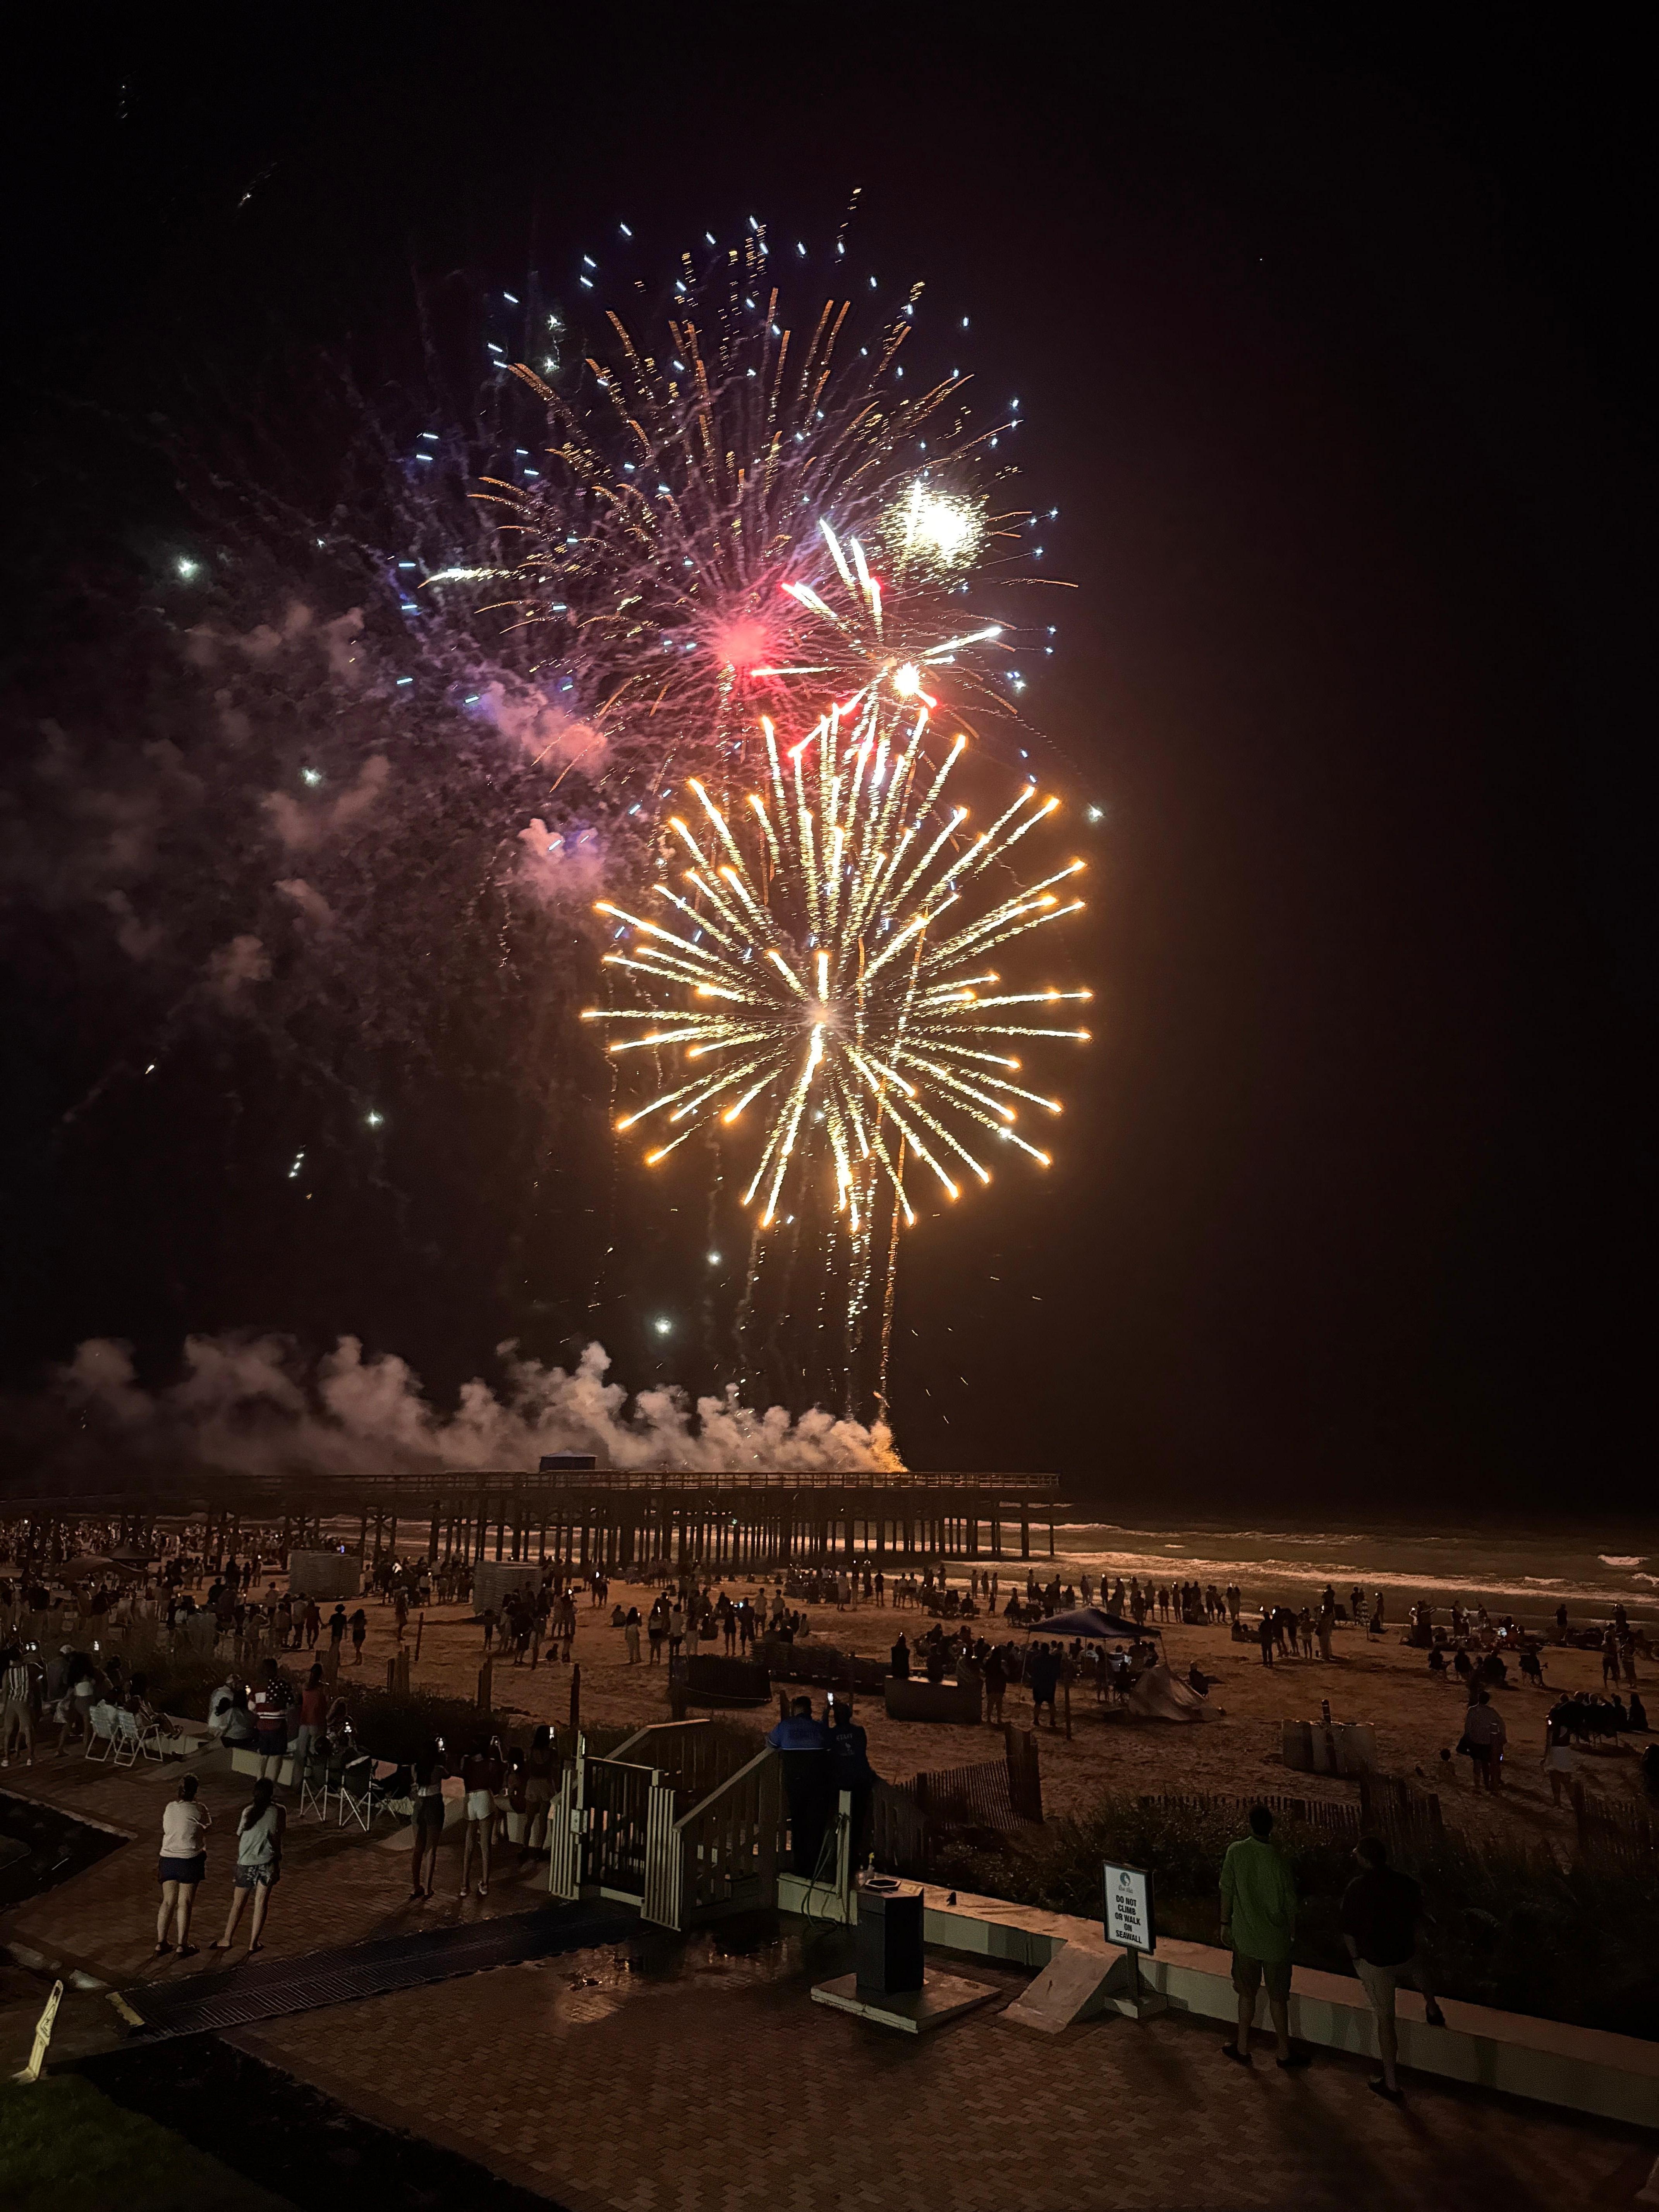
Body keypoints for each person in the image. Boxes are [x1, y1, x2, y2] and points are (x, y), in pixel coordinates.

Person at [1340, 1835, 1445, 2100]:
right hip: (1404, 1952)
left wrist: (1356, 1960)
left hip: (1377, 1962)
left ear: (1364, 1859)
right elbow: (1418, 1918)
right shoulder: (1406, 1884)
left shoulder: (1357, 1888)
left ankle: (1392, 2082)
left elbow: (1348, 1931)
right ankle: (1432, 2006)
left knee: (1386, 2020)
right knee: (1419, 1967)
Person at [1219, 1806, 1308, 2070]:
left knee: (1246, 1995)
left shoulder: (1236, 1852)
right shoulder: (1279, 1859)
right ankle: (1283, 2052)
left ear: (1250, 1825)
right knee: (1278, 1998)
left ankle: (1243, 2046)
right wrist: (1291, 1934)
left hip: (1246, 1938)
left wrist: (1225, 1923)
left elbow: (1226, 1889)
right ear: (1271, 1828)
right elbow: (1291, 1905)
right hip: (1275, 1941)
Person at [213, 1779, 285, 1954]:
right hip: (267, 1861)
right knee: (261, 1902)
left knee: (238, 1903)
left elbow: (241, 1835)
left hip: (246, 1862)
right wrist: (278, 1857)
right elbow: (277, 1837)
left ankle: (227, 1939)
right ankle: (253, 1942)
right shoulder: (278, 1812)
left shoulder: (248, 1812)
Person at [766, 1696, 831, 1875]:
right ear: (809, 1710)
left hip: (795, 1783)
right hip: (818, 1784)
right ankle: (815, 1866)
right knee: (815, 1825)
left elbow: (770, 1744)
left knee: (798, 1823)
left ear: (795, 1709)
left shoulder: (785, 1727)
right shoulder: (819, 1728)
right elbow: (829, 1745)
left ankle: (800, 1866)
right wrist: (826, 1718)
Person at [156, 1773, 210, 1956]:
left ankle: (161, 1943)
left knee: (168, 1901)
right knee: (185, 1903)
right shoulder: (200, 1808)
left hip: (168, 1858)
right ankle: (182, 1945)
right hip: (190, 1859)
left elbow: (167, 1828)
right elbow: (208, 1826)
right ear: (195, 1791)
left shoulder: (170, 1807)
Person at [459, 1738, 505, 1896]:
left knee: (469, 1845)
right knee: (485, 1846)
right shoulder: (489, 1764)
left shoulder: (467, 1764)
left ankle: (464, 1885)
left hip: (470, 1799)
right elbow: (500, 1771)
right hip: (484, 1797)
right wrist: (498, 1748)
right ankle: (485, 1884)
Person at [409, 1740, 447, 1899]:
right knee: (431, 1849)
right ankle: (428, 1889)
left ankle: (416, 1886)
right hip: (434, 1806)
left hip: (420, 1806)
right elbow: (449, 1773)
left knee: (418, 1848)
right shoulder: (438, 1770)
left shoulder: (415, 1769)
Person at [521, 1724, 557, 1860]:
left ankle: (525, 1847)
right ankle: (539, 1848)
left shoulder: (531, 1751)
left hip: (533, 1784)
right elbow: (554, 1770)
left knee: (529, 1819)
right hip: (545, 1785)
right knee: (543, 1820)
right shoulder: (552, 1752)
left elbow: (527, 1768)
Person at [293, 1663, 328, 1781]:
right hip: (316, 1722)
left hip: (305, 1721)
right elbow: (323, 1708)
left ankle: (297, 1782)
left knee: (300, 1754)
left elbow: (300, 1702)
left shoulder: (305, 1687)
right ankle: (313, 1780)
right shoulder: (322, 1689)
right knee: (314, 1753)